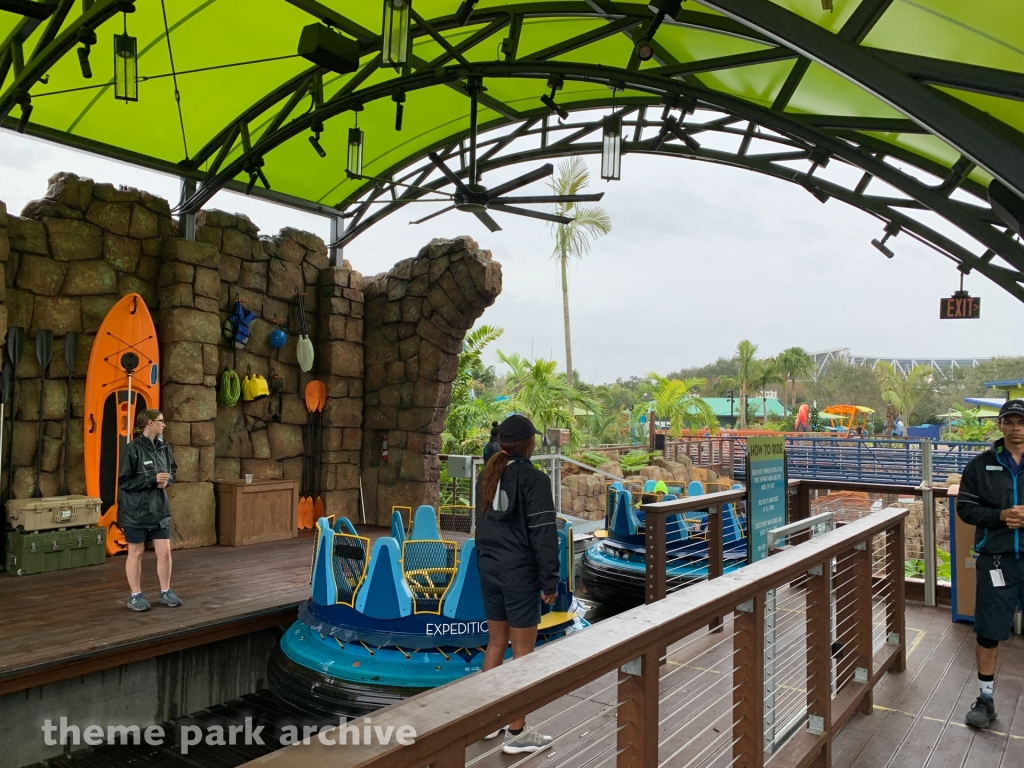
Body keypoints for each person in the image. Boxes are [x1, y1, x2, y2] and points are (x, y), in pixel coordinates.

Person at [476, 414, 559, 755]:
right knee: (523, 653)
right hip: (520, 576)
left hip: (490, 570)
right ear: (528, 444)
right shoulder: (533, 479)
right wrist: (549, 580)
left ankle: (487, 721)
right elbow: (543, 534)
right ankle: (517, 731)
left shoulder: (487, 475)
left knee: (496, 643)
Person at [956, 399, 1024, 729]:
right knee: (988, 631)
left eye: (1021, 422)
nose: (1016, 427)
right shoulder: (980, 466)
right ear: (1000, 425)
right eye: (1009, 421)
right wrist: (1000, 516)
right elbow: (966, 510)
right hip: (995, 560)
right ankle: (985, 699)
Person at [118, 408, 181, 612]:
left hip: (159, 510)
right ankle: (135, 595)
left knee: (164, 553)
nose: (164, 424)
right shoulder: (132, 448)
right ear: (149, 423)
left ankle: (165, 591)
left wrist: (168, 480)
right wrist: (152, 480)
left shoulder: (164, 447)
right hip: (136, 512)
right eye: (161, 421)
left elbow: (172, 471)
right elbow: (124, 482)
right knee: (136, 552)